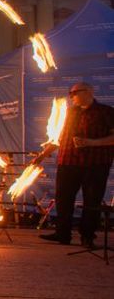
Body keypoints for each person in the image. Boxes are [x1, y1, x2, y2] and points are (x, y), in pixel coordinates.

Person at [35, 82, 114, 249]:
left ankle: (87, 236)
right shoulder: (68, 114)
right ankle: (62, 234)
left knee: (92, 201)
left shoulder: (106, 112)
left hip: (96, 164)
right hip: (68, 162)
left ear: (89, 91)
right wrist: (42, 155)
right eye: (70, 93)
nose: (72, 96)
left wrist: (90, 143)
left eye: (75, 92)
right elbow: (57, 138)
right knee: (63, 199)